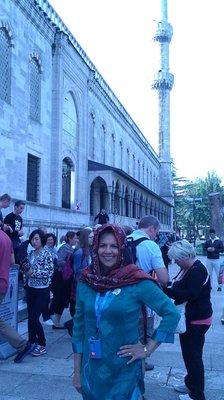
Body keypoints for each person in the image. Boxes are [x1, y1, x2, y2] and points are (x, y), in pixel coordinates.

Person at [72, 224, 180, 400]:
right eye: (103, 245)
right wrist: (76, 372)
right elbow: (78, 327)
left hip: (124, 368)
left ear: (122, 248)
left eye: (114, 246)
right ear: (95, 247)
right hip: (91, 368)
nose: (108, 251)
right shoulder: (86, 280)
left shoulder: (135, 280)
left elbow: (171, 313)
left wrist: (147, 349)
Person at [164, 239, 212, 400]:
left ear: (184, 256)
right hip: (192, 318)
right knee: (189, 355)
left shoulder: (197, 270)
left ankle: (197, 395)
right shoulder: (188, 268)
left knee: (193, 357)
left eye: (176, 259)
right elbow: (178, 286)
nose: (175, 262)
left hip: (197, 319)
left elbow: (190, 294)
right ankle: (190, 383)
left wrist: (165, 291)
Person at [128, 215, 169, 370]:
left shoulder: (124, 240)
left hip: (122, 296)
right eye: (156, 232)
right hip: (144, 300)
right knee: (145, 331)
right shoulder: (151, 246)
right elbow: (164, 279)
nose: (156, 235)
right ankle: (141, 362)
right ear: (152, 228)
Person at [0, 230, 31, 363]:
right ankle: (21, 344)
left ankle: (21, 344)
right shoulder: (6, 237)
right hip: (4, 281)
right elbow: (12, 261)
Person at [23, 229, 54, 356]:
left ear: (42, 239)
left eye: (36, 239)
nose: (34, 241)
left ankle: (42, 344)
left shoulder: (47, 254)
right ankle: (31, 341)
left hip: (43, 290)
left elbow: (49, 272)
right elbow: (27, 270)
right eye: (32, 239)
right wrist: (25, 271)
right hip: (30, 289)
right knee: (30, 317)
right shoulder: (31, 254)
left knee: (34, 318)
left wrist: (33, 273)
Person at [50, 231, 77, 328]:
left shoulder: (70, 248)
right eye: (75, 238)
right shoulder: (64, 248)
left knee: (63, 298)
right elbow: (58, 261)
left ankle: (56, 321)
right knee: (60, 298)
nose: (76, 240)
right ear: (70, 238)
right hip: (61, 276)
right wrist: (68, 262)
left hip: (66, 276)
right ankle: (55, 321)